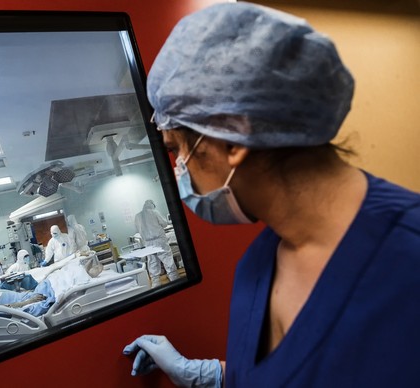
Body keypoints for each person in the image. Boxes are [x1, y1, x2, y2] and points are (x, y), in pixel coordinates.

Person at [123, 3, 420, 388]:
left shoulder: (407, 264)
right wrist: (210, 376)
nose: (181, 168)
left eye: (177, 149)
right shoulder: (259, 264)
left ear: (231, 137)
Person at [134, 199, 179, 287]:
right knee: (167, 260)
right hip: (159, 240)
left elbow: (137, 230)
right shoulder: (154, 212)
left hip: (148, 243)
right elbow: (165, 224)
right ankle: (175, 280)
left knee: (152, 262)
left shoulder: (137, 216)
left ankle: (156, 283)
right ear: (152, 205)